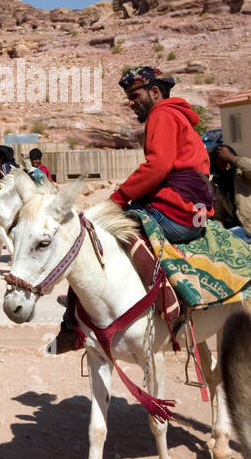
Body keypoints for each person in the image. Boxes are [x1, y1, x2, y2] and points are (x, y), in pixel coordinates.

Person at [52, 67, 212, 354]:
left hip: (176, 212)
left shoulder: (162, 114)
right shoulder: (179, 116)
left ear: (155, 92)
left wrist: (118, 198)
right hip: (194, 213)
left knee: (93, 230)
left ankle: (72, 323)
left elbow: (158, 166)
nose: (131, 102)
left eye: (135, 95)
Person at [211, 143, 251, 241]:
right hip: (241, 229)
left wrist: (231, 157)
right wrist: (216, 230)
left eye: (229, 162)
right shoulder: (221, 185)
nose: (228, 166)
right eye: (223, 164)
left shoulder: (243, 175)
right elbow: (219, 216)